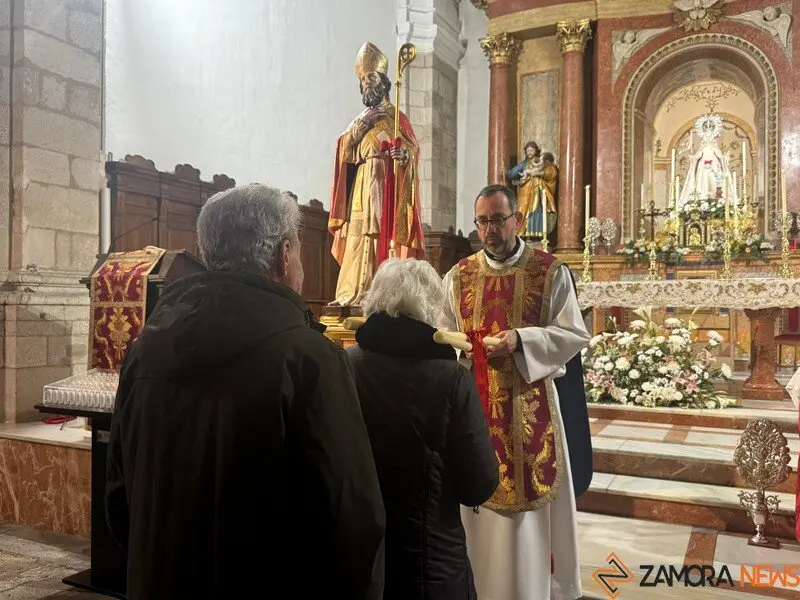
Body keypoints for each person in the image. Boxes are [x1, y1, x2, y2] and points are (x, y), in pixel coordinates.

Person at [105, 183, 386, 600]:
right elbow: (351, 517)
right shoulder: (310, 358)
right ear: (283, 256)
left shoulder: (146, 347)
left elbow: (119, 492)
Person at [440, 184, 592, 600]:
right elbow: (442, 329)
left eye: (498, 219)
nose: (490, 230)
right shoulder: (459, 275)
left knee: (528, 510)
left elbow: (573, 333)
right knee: (476, 502)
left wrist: (521, 341)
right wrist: (463, 347)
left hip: (531, 407)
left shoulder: (549, 271)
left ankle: (528, 589)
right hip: (476, 405)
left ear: (518, 220)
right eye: (482, 221)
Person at [347, 258, 498, 600]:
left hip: (363, 557)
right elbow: (480, 483)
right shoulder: (451, 378)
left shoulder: (345, 363)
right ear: (430, 307)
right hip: (430, 562)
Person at [328, 41, 426, 307]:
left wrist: (404, 156)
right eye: (363, 80)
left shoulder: (397, 119)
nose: (367, 84)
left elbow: (413, 152)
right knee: (359, 239)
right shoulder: (359, 120)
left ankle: (381, 298)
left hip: (387, 188)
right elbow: (344, 151)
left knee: (383, 238)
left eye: (371, 78)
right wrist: (363, 124)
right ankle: (352, 295)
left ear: (383, 81)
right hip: (361, 187)